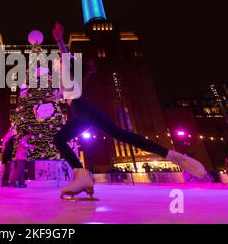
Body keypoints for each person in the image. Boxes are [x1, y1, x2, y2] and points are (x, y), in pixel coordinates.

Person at [48, 22, 207, 199]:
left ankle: (82, 176)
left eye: (60, 60)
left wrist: (60, 40)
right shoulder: (65, 79)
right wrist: (51, 99)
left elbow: (63, 54)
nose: (58, 62)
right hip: (83, 110)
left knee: (61, 139)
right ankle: (171, 155)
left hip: (83, 109)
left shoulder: (68, 69)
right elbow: (63, 93)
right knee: (119, 134)